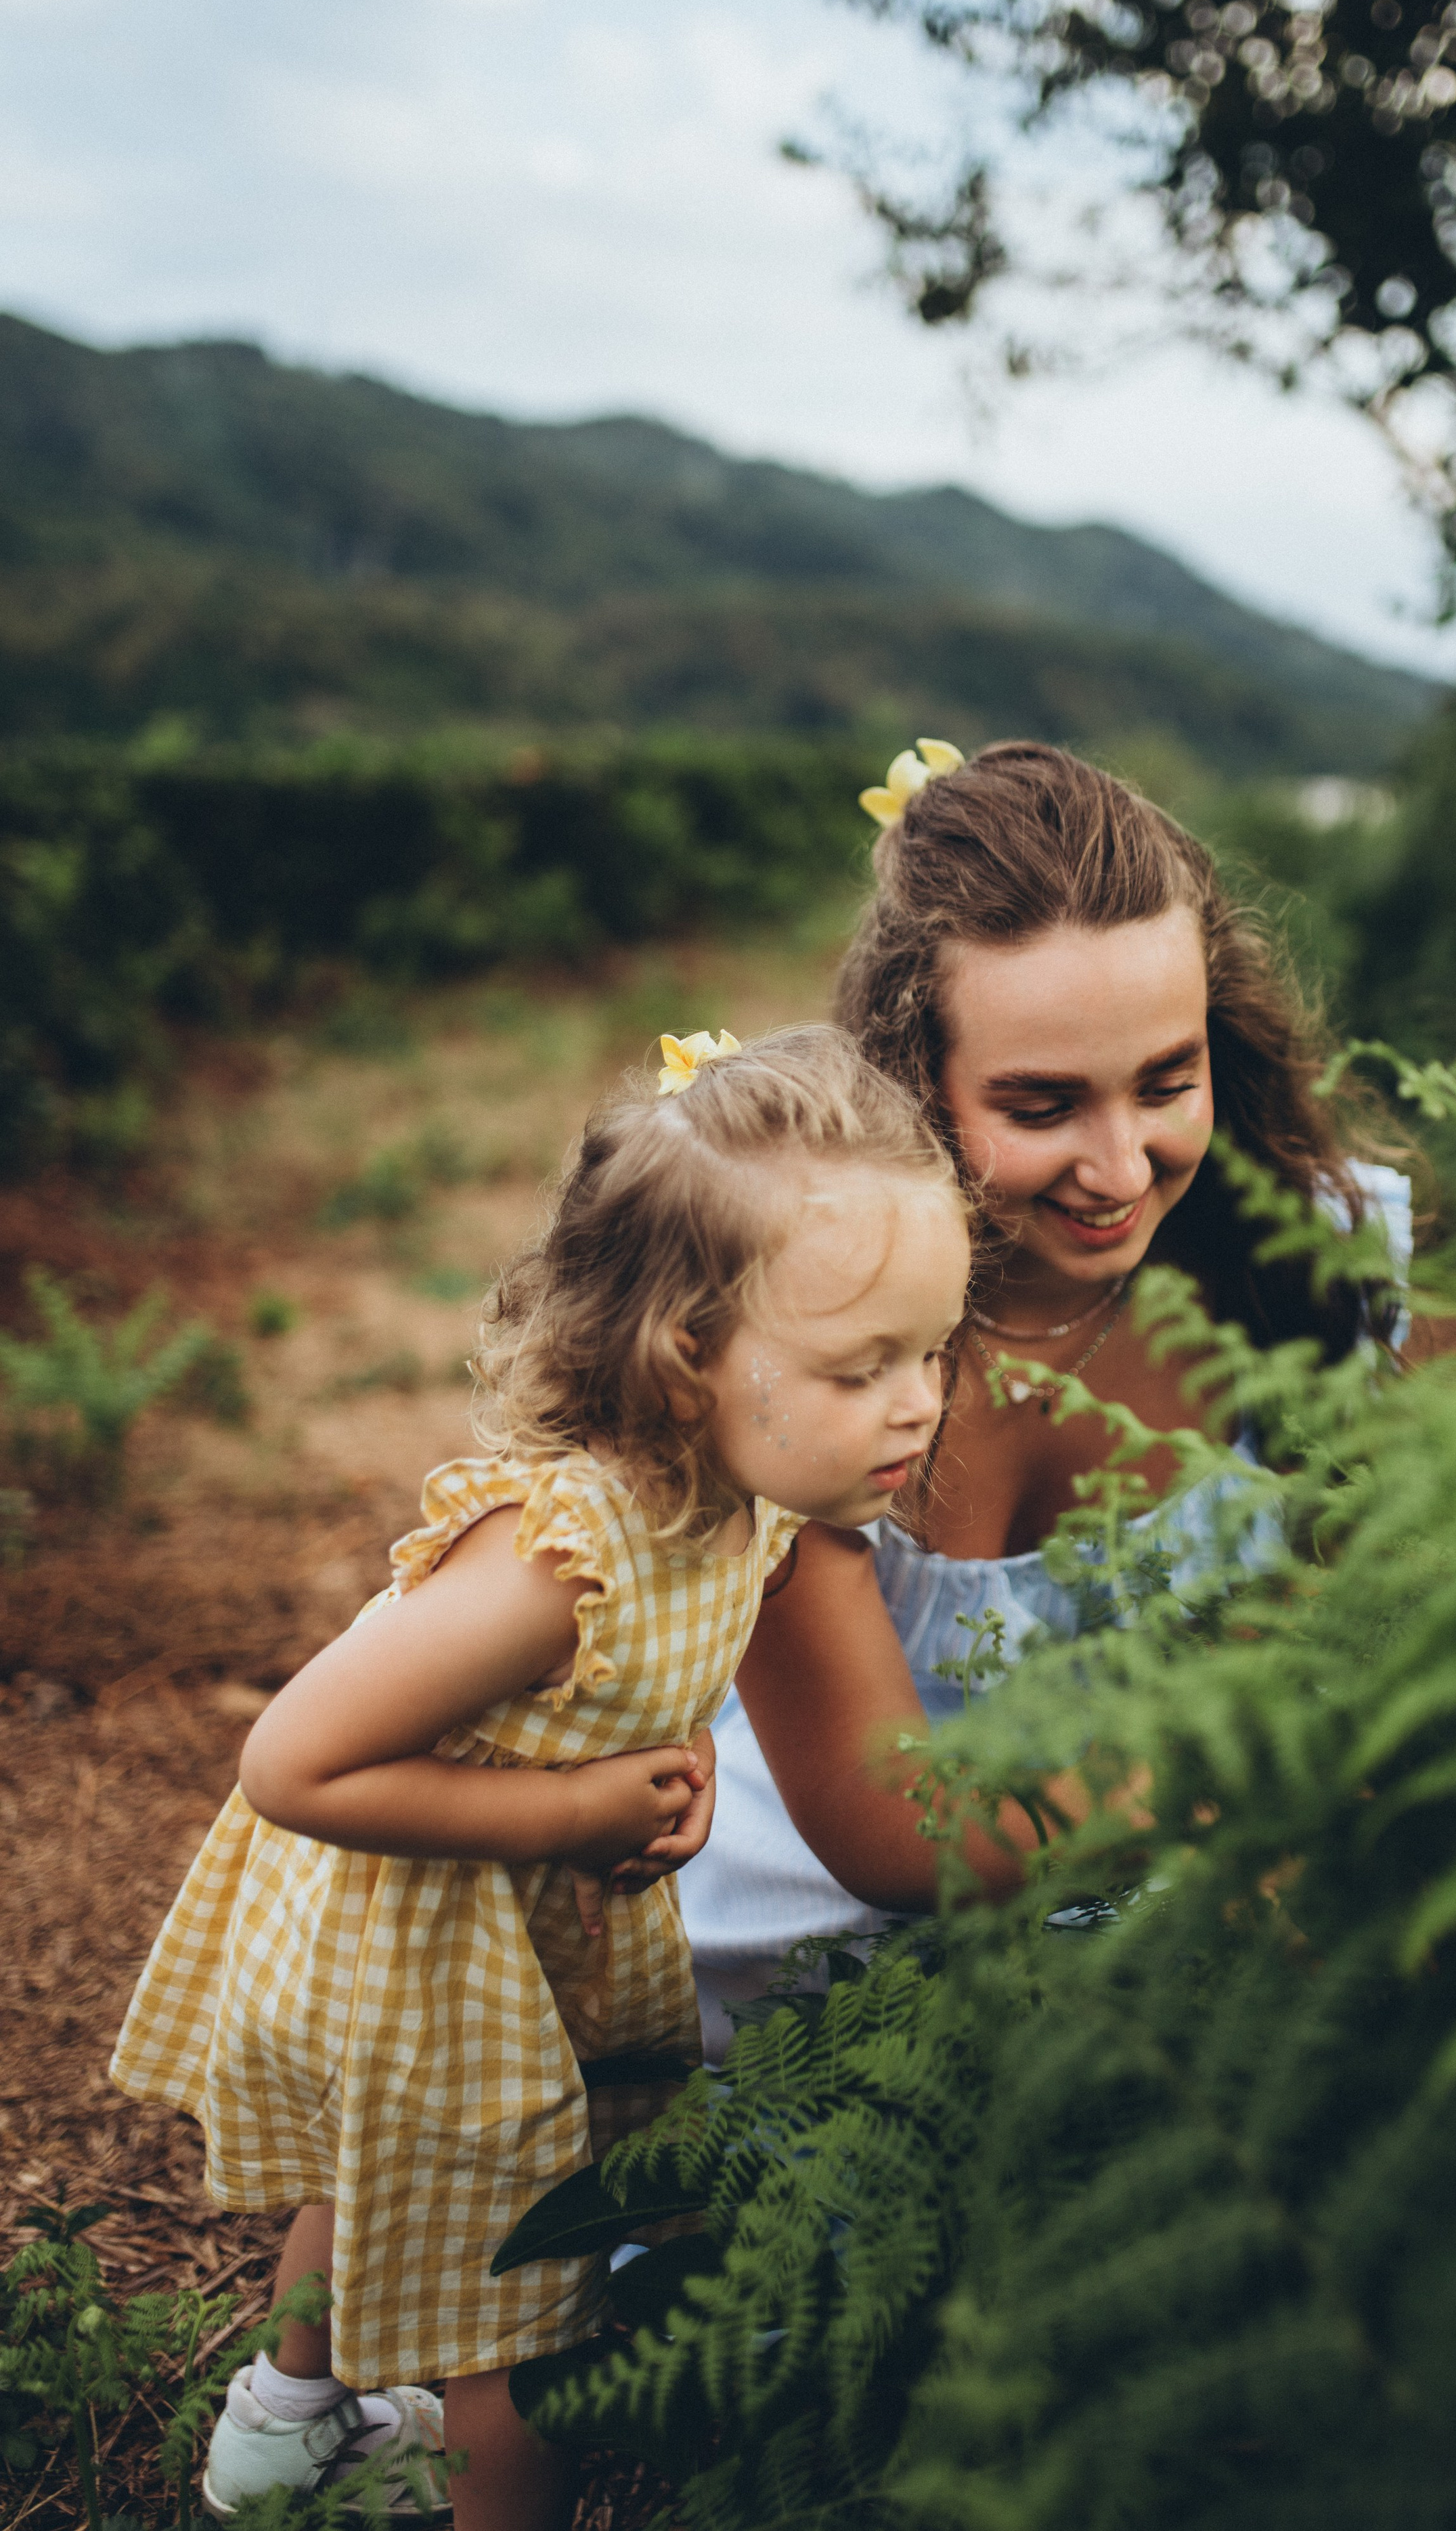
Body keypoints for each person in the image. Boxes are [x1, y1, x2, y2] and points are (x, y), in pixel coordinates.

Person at [110, 1025, 971, 2531]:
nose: (918, 1402)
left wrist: (674, 1775)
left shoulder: (747, 1509)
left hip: (509, 1933)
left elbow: (640, 1698)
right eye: (862, 1364)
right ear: (688, 1357)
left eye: (933, 1350)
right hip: (417, 1926)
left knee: (383, 2173)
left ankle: (281, 2426)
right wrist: (571, 1811)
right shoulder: (553, 1562)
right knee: (527, 2309)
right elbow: (291, 1758)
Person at [679, 740, 1412, 2050]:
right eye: (1041, 1104)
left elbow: (1328, 1628)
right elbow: (899, 1838)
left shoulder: (1307, 1267)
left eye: (1166, 1082)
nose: (1121, 1166)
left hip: (1176, 1975)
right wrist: (1240, 1767)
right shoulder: (809, 1323)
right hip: (819, 2003)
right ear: (916, 1078)